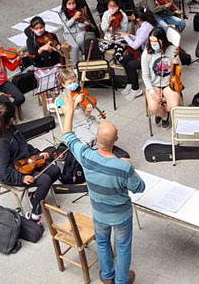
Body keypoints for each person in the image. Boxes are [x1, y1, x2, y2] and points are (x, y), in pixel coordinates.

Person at [61, 94, 145, 284]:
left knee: (102, 242)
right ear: (116, 140)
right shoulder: (122, 167)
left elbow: (67, 136)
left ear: (96, 138)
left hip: (99, 212)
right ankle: (122, 280)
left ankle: (107, 276)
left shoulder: (86, 156)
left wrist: (70, 111)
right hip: (121, 215)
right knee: (123, 247)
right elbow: (139, 187)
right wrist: (127, 167)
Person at [0, 101, 61, 224]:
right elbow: (4, 171)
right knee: (45, 180)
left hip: (26, 163)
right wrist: (21, 178)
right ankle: (34, 214)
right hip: (12, 173)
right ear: (10, 119)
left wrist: (38, 154)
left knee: (55, 170)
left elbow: (25, 146)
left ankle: (34, 196)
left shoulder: (11, 128)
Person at [142, 28, 182, 129]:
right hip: (153, 84)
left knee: (173, 106)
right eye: (151, 41)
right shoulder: (146, 53)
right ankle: (164, 116)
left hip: (169, 83)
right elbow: (145, 76)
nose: (153, 44)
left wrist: (177, 64)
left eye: (155, 41)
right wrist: (152, 93)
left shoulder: (172, 49)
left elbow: (179, 71)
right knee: (153, 108)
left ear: (162, 40)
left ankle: (163, 112)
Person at [117, 7, 155, 102]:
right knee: (125, 59)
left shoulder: (146, 28)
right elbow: (139, 38)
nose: (132, 17)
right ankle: (130, 82)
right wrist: (129, 36)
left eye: (134, 15)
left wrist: (126, 36)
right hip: (144, 52)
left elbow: (135, 45)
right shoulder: (143, 25)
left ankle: (135, 89)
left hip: (150, 55)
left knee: (131, 65)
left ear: (138, 18)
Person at [57, 68, 99, 143]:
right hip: (77, 126)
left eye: (74, 81)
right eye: (69, 83)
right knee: (91, 141)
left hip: (89, 120)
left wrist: (87, 110)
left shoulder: (80, 91)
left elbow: (86, 114)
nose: (73, 84)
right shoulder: (61, 99)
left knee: (103, 136)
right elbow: (67, 115)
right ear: (63, 84)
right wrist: (75, 102)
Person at [58, 0, 97, 64]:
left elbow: (79, 25)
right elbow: (66, 26)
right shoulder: (62, 13)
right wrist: (74, 18)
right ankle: (75, 64)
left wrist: (84, 24)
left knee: (81, 40)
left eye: (73, 3)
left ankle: (85, 55)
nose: (72, 5)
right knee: (75, 47)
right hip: (69, 33)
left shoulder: (79, 10)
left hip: (80, 31)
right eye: (69, 3)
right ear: (65, 4)